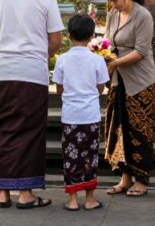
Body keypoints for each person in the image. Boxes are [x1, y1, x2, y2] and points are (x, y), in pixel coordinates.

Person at [0, 0, 64, 209]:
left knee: (5, 128)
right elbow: (56, 40)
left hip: (5, 72)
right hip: (32, 73)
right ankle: (26, 193)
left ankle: (4, 191)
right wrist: (39, 55)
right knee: (30, 131)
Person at [102, 0, 155, 198]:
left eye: (116, 0)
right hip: (118, 80)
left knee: (139, 130)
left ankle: (141, 180)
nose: (113, 5)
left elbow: (141, 51)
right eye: (110, 1)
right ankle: (124, 178)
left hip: (141, 81)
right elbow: (106, 41)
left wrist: (114, 63)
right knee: (119, 129)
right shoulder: (113, 15)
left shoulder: (143, 15)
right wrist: (101, 53)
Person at [52, 14, 109, 211]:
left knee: (71, 157)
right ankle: (91, 199)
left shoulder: (62, 60)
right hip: (91, 115)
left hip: (71, 116)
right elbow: (101, 87)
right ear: (92, 35)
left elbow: (59, 88)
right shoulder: (97, 60)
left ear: (69, 35)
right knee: (90, 157)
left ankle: (73, 200)